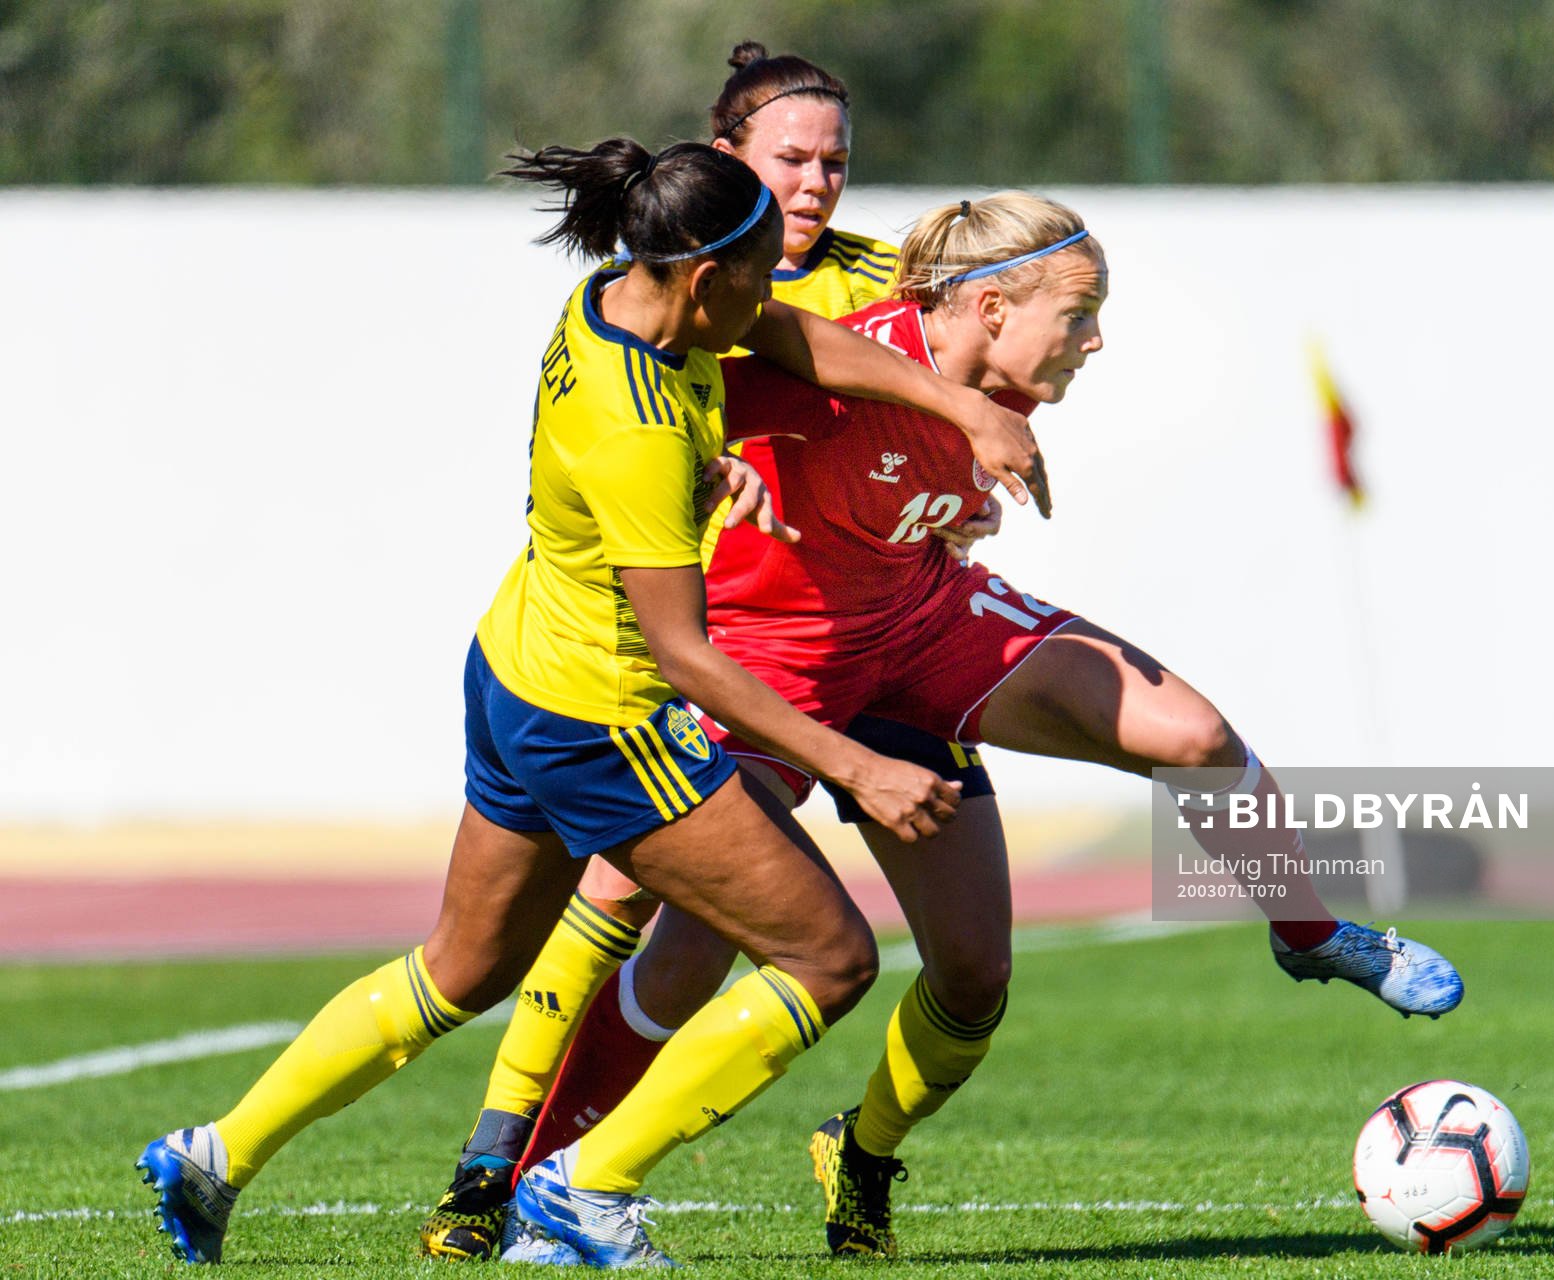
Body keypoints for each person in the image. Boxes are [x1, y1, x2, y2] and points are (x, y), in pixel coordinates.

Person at [133, 136, 1052, 1269]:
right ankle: (586, 1189)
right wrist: (858, 766)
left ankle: (213, 1151)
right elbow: (687, 657)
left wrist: (960, 409)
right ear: (706, 275)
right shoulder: (643, 425)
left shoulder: (619, 295)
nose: (774, 298)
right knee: (830, 959)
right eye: (760, 275)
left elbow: (789, 339)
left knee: (457, 969)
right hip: (605, 719)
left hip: (516, 669)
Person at [501, 191, 1464, 1265]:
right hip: (779, 657)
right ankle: (548, 1185)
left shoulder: (1004, 378)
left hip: (918, 624)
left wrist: (952, 489)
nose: (1095, 338)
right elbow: (660, 408)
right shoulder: (847, 364)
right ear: (994, 304)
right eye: (1081, 310)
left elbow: (901, 480)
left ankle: (1304, 932)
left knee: (1090, 847)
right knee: (697, 944)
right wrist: (706, 477)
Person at [415, 41, 1002, 1263]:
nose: (819, 182)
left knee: (942, 956)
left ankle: (581, 1177)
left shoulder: (877, 278)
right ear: (723, 159)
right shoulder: (696, 280)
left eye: (837, 160)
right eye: (792, 157)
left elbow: (953, 382)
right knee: (631, 896)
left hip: (884, 635)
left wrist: (962, 462)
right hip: (728, 645)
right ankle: (503, 1161)